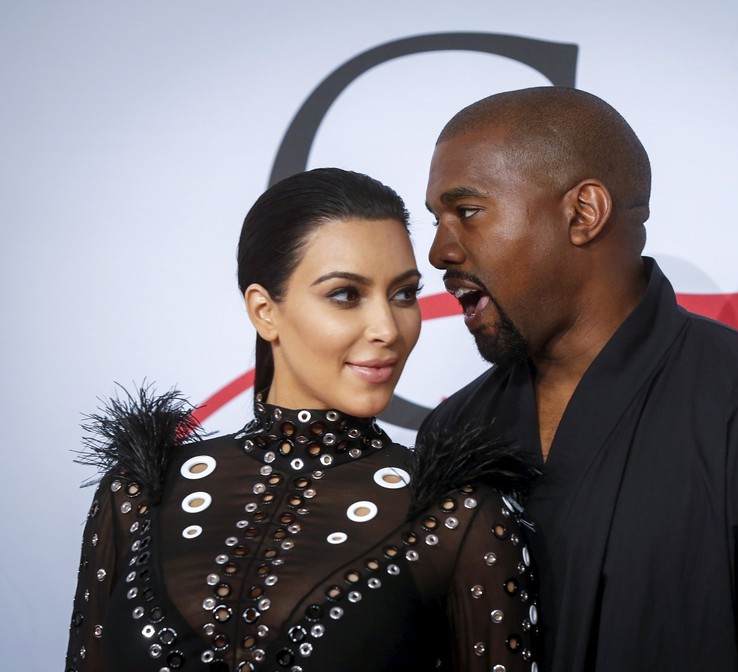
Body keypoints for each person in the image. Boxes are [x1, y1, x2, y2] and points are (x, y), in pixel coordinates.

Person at [419, 87, 738, 671]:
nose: (438, 251)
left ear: (583, 213)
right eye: (436, 219)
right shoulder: (453, 431)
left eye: (467, 212)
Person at [65, 168, 540, 672]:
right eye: (345, 295)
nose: (387, 328)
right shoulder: (140, 494)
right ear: (264, 310)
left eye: (403, 294)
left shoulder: (456, 515)